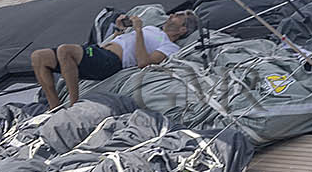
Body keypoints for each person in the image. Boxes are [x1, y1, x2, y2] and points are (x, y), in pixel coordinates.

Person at [30, 10, 198, 108]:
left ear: (183, 29)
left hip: (110, 61)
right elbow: (122, 39)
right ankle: (54, 108)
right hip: (99, 51)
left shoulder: (169, 46)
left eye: (177, 16)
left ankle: (73, 104)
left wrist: (139, 31)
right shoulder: (152, 28)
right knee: (39, 57)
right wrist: (120, 30)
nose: (171, 15)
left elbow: (143, 62)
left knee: (65, 50)